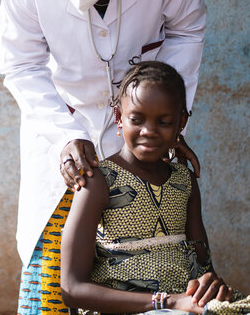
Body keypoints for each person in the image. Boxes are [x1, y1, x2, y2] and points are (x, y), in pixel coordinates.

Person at [0, 0, 206, 312]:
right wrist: (64, 133)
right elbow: (21, 65)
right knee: (52, 274)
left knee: (136, 259)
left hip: (135, 120)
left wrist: (167, 115)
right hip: (61, 117)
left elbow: (187, 32)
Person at [60, 61, 249, 315]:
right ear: (118, 118)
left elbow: (202, 266)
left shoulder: (184, 181)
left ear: (181, 122)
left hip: (184, 306)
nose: (148, 131)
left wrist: (211, 288)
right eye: (136, 119)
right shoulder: (98, 181)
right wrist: (167, 302)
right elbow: (72, 289)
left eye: (164, 121)